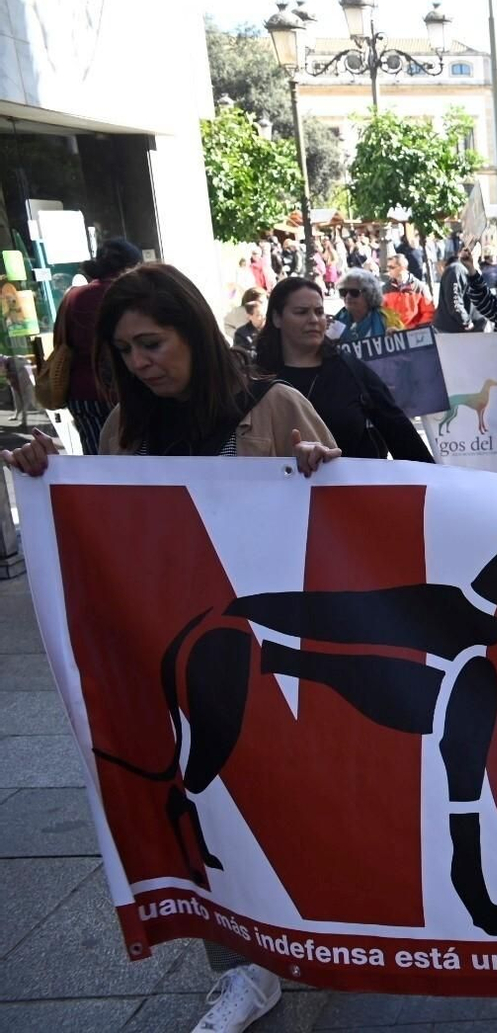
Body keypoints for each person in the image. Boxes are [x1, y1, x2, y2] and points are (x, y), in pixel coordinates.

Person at [2, 263, 339, 1033]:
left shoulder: (277, 405)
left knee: (291, 807)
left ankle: (327, 931)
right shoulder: (126, 428)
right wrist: (47, 479)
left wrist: (326, 471)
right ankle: (246, 969)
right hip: (175, 655)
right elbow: (107, 530)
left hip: (272, 652)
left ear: (191, 329)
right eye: (124, 352)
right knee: (204, 811)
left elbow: (339, 534)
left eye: (150, 343)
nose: (139, 363)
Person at [255, 277, 435, 463]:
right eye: (301, 312)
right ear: (277, 318)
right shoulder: (255, 378)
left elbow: (398, 429)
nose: (314, 320)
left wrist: (434, 482)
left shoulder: (350, 369)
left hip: (354, 489)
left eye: (319, 312)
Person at [57, 237, 142, 454]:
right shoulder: (130, 295)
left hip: (81, 391)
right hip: (126, 388)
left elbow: (60, 341)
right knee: (133, 453)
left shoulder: (72, 296)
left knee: (96, 456)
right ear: (131, 265)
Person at [332, 268, 397, 342]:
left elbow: (405, 348)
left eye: (354, 292)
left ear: (369, 294)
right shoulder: (337, 320)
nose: (347, 297)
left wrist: (396, 336)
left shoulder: (387, 319)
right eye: (343, 292)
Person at [382, 254, 435, 329]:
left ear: (402, 267)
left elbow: (428, 312)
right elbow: (381, 313)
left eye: (391, 267)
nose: (388, 270)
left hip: (415, 333)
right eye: (388, 267)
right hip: (393, 333)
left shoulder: (419, 287)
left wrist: (418, 329)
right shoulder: (385, 289)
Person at [433, 251, 476, 334]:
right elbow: (455, 301)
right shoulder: (457, 270)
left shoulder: (462, 270)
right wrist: (466, 321)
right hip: (452, 330)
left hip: (458, 329)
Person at [232, 287, 267, 355]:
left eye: (265, 302)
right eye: (261, 302)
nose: (264, 307)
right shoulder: (241, 333)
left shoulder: (276, 328)